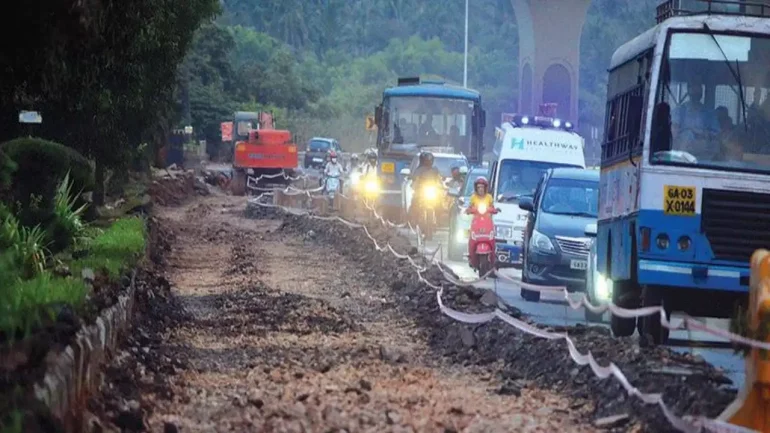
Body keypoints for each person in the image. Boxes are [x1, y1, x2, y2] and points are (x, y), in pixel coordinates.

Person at [672, 77, 719, 159]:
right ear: (688, 90)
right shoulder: (678, 111)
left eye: (698, 88)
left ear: (701, 92)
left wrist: (699, 133)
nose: (695, 90)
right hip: (680, 157)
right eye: (692, 87)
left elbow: (716, 137)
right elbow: (673, 134)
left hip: (704, 158)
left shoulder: (709, 114)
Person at [466, 176, 495, 267]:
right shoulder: (473, 197)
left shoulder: (489, 197)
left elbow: (492, 207)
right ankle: (471, 255)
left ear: (485, 188)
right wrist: (469, 210)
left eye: (482, 187)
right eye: (478, 187)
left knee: (492, 237)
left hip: (487, 221)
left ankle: (493, 257)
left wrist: (494, 209)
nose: (480, 189)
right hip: (476, 221)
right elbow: (470, 207)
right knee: (472, 238)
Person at [409, 151, 443, 224]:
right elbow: (415, 179)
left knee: (440, 202)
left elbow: (439, 179)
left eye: (430, 160)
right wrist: (415, 185)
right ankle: (413, 219)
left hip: (432, 191)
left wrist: (441, 186)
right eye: (427, 160)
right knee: (414, 200)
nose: (429, 162)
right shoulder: (419, 169)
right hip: (421, 191)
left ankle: (439, 219)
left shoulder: (435, 169)